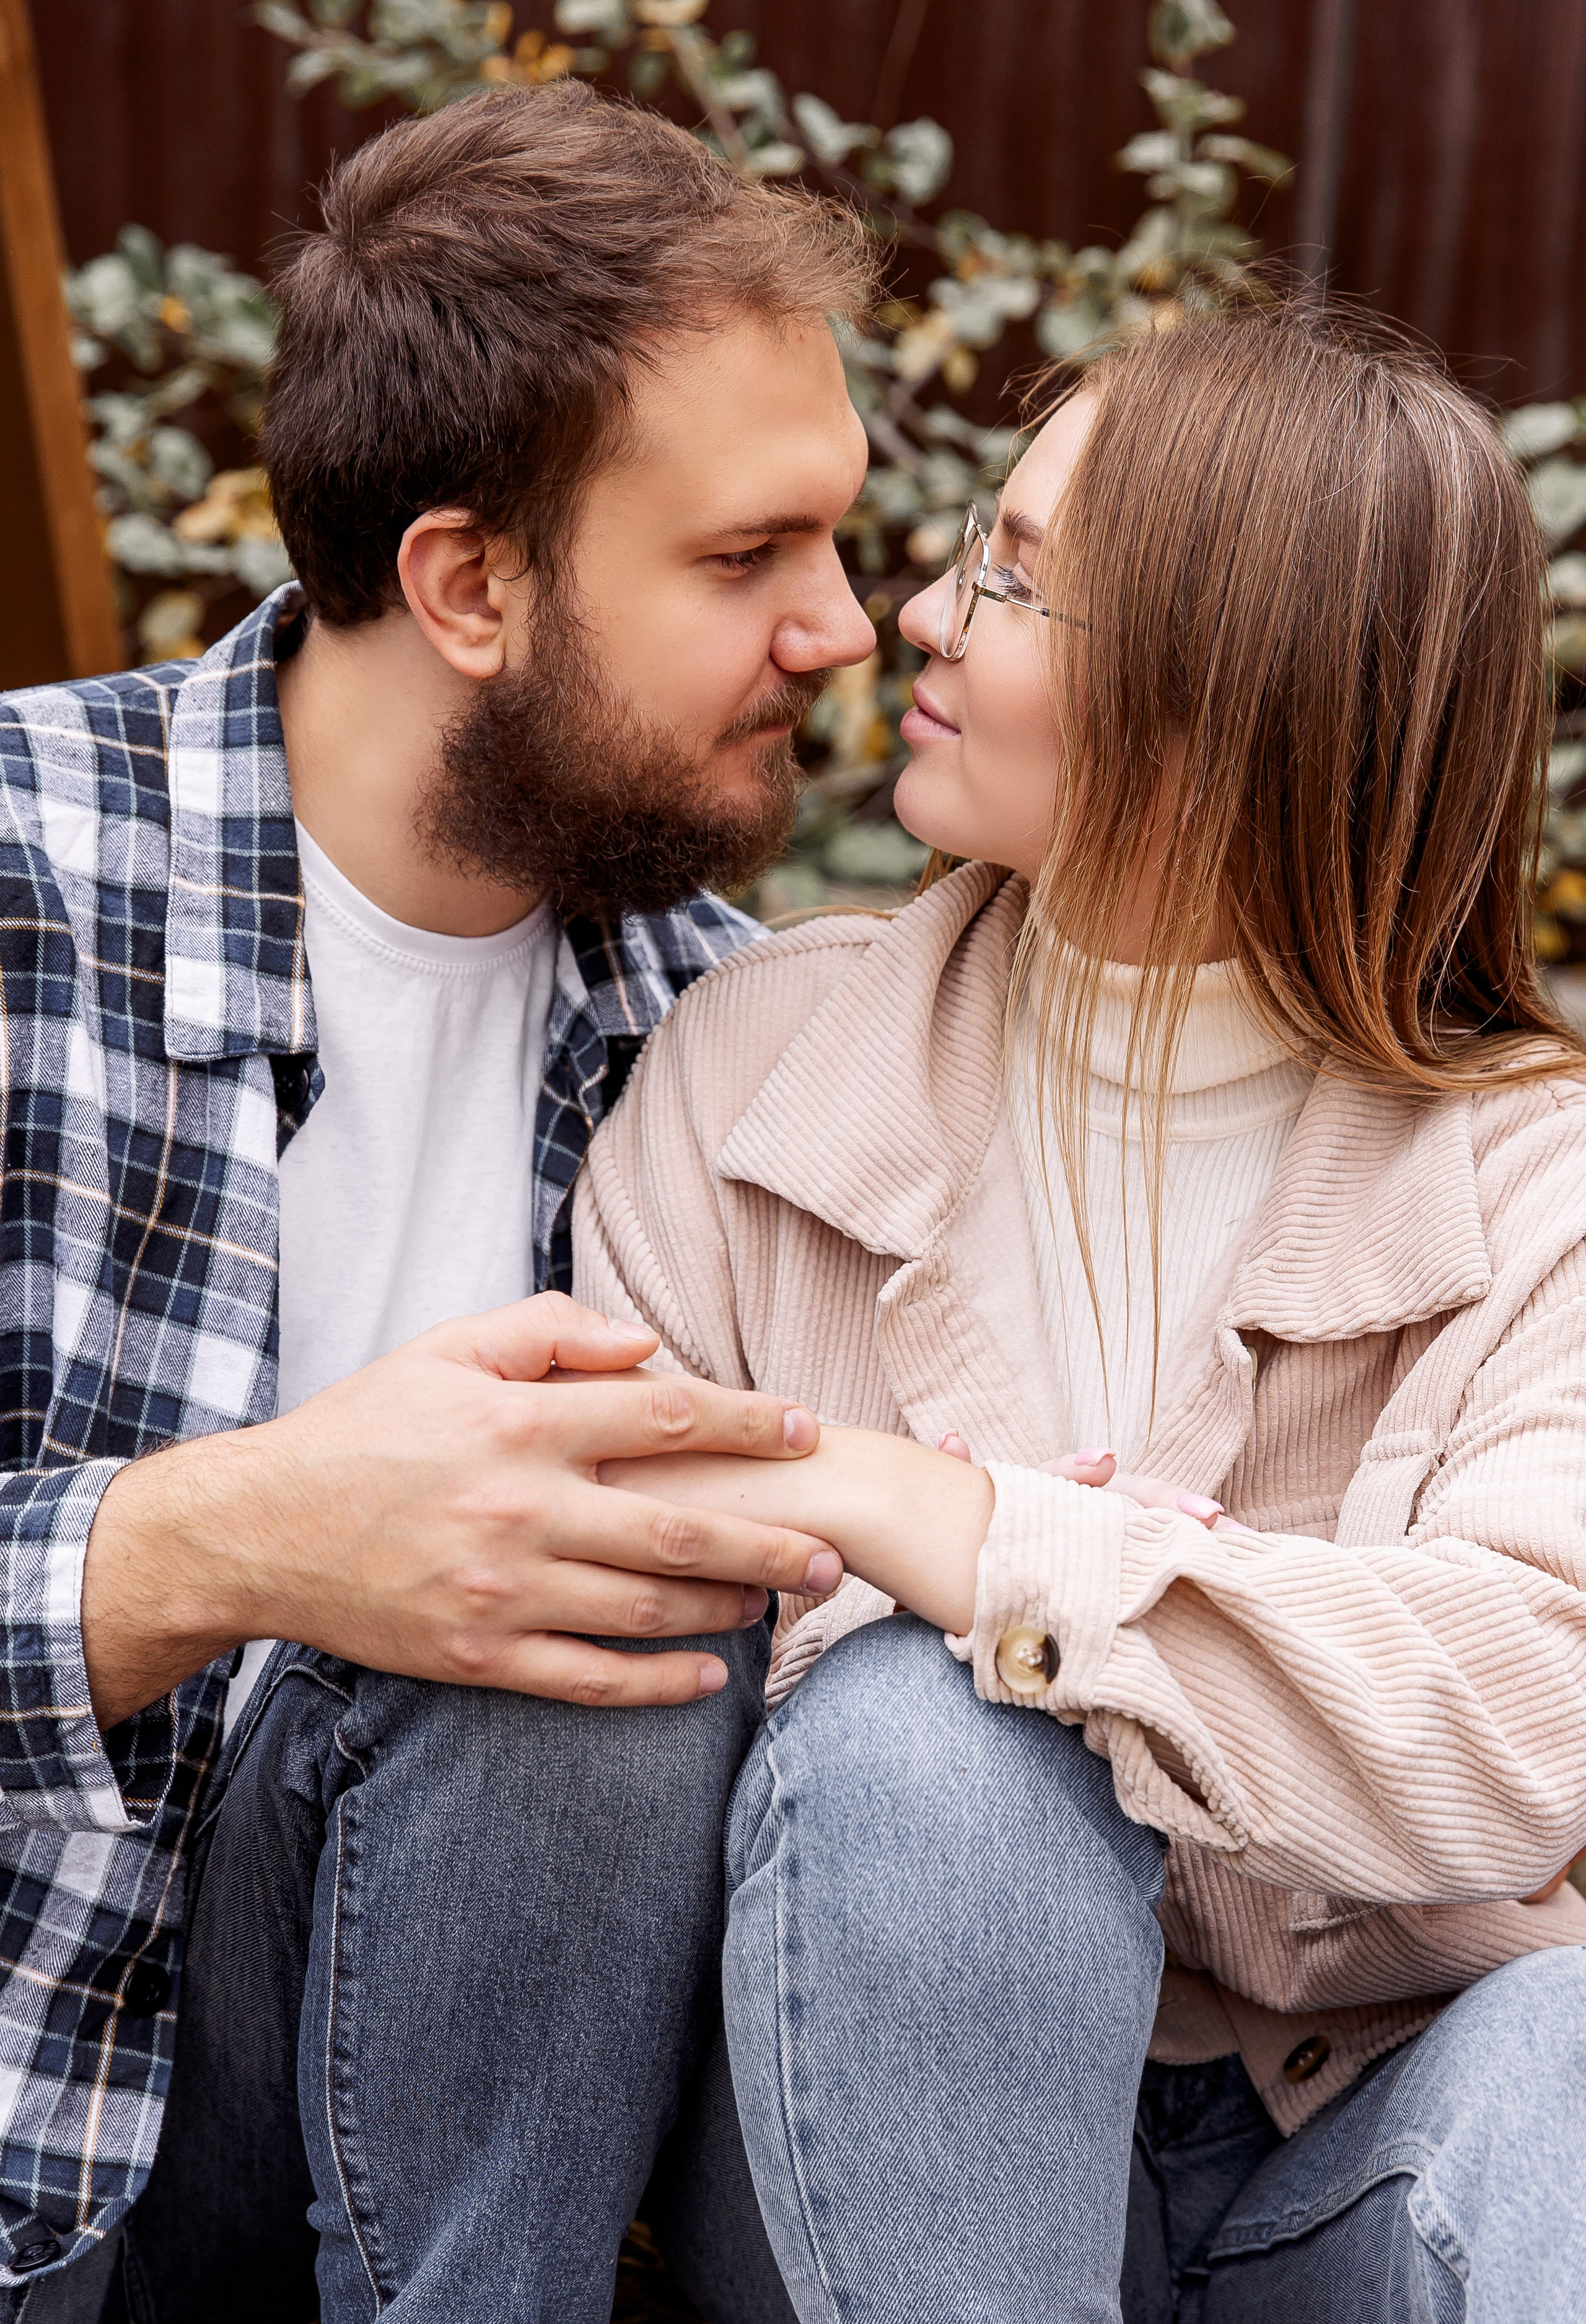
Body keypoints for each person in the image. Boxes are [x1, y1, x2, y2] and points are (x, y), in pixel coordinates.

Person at [575, 304, 1586, 2320]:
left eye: (1021, 583)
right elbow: (619, 1644)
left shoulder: (1534, 1176)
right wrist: (1084, 1637)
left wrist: (950, 1528)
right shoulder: (751, 1068)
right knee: (929, 1757)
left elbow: (1529, 1711)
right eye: (978, 552)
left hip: (1368, 2155)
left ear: (1241, 696)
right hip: (845, 2125)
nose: (919, 620)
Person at [0, 81, 880, 2324]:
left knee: (606, 1630)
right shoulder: (26, 881)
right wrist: (237, 1539)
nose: (848, 628)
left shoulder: (744, 1033)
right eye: (746, 558)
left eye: (844, 542)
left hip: (505, 2174)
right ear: (468, 582)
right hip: (45, 2138)